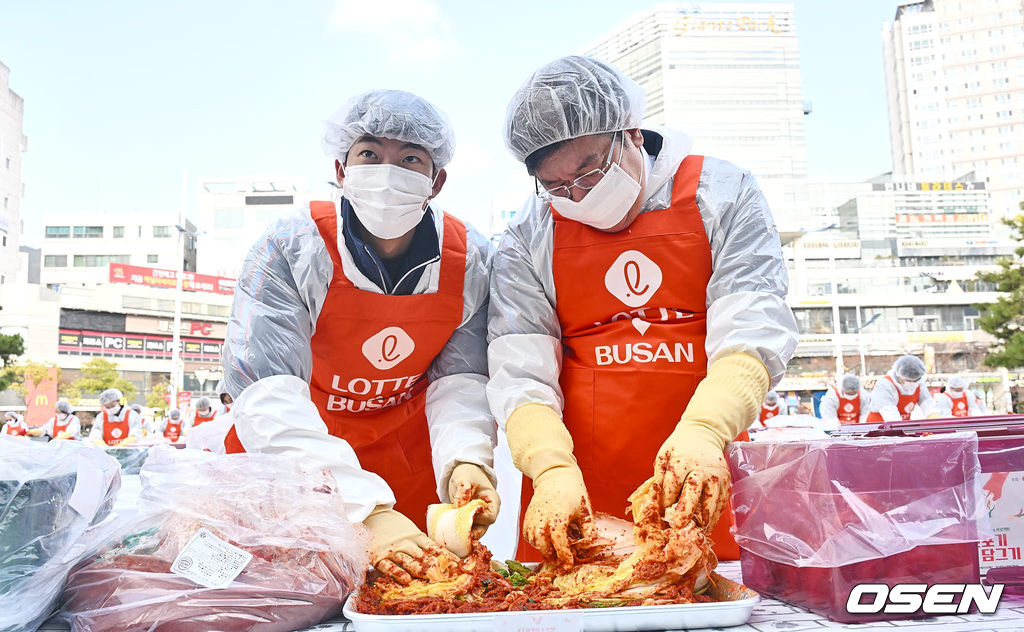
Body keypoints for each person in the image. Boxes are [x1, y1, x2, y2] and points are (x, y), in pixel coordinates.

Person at [490, 56, 799, 564]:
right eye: (558, 187)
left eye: (588, 173)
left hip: (702, 470)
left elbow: (753, 331)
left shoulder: (721, 194)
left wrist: (705, 430)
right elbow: (518, 368)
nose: (578, 196)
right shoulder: (529, 232)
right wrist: (548, 466)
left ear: (631, 133)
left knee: (709, 588)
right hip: (579, 487)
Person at [221, 89, 498, 584]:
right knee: (274, 595)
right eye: (370, 154)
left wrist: (465, 458)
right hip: (292, 461)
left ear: (436, 182)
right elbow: (267, 393)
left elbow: (461, 379)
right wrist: (363, 507)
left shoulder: (471, 260)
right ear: (342, 168)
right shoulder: (291, 248)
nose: (388, 172)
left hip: (404, 470)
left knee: (415, 593)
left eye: (410, 159)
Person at [866, 355, 937, 422]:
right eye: (908, 380)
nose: (913, 383)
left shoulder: (919, 381)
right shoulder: (884, 385)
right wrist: (902, 431)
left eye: (916, 380)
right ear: (899, 375)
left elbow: (927, 403)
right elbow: (890, 415)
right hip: (878, 427)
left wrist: (934, 420)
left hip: (902, 426)